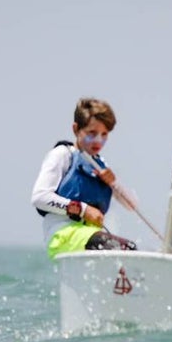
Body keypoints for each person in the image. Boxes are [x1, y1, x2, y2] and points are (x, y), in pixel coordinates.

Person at [31, 97, 138, 259]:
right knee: (122, 249)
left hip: (91, 235)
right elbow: (39, 197)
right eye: (91, 133)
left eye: (104, 135)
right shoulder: (62, 155)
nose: (98, 141)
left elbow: (132, 206)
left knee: (130, 248)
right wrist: (84, 209)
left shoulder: (100, 165)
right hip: (62, 235)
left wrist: (113, 183)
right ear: (76, 129)